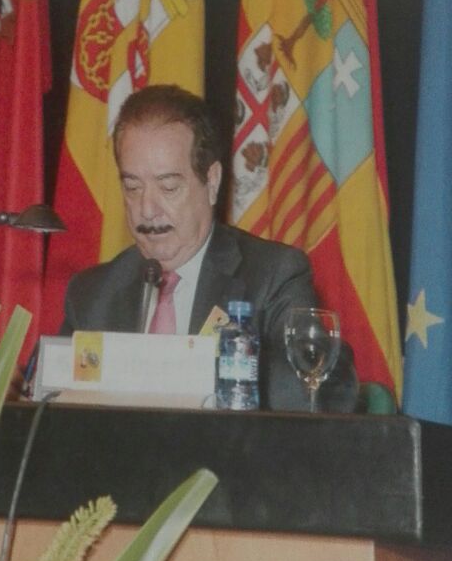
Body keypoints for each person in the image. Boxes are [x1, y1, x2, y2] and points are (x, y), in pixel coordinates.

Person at [61, 85, 357, 411]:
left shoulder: (273, 274)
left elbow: (329, 386)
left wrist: (194, 373)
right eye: (132, 187)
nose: (146, 209)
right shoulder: (92, 294)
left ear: (212, 181)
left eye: (168, 187)